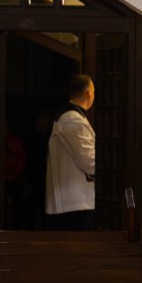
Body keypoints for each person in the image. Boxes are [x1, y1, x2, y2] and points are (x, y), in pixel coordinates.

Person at [45, 73, 96, 231]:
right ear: (88, 93)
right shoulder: (72, 119)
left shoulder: (73, 116)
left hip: (75, 200)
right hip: (73, 202)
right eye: (94, 91)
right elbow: (89, 161)